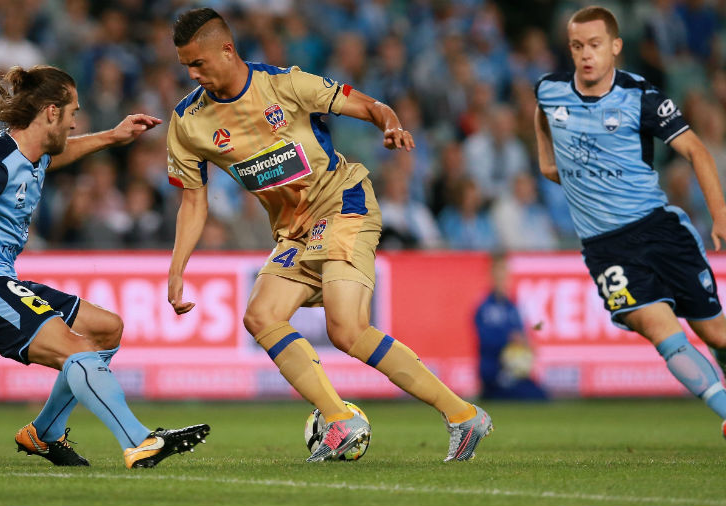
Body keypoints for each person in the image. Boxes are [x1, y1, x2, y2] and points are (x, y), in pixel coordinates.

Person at [165, 8, 492, 463]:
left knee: (346, 327)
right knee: (261, 316)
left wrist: (390, 124)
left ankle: (463, 416)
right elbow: (193, 201)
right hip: (294, 232)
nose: (193, 74)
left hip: (342, 203)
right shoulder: (188, 122)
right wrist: (177, 268)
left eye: (198, 63)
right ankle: (339, 418)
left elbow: (370, 105)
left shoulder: (286, 84)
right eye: (186, 67)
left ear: (227, 49)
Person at [0, 65, 210, 468]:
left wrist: (112, 136)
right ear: (51, 112)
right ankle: (139, 441)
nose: (75, 122)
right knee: (76, 349)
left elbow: (58, 155)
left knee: (106, 329)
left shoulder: (31, 153)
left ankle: (44, 432)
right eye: (73, 113)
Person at [534, 6, 726, 445]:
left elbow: (697, 150)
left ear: (616, 47)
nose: (586, 55)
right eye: (577, 46)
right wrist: (548, 162)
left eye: (595, 45)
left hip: (659, 231)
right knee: (664, 334)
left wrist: (719, 213)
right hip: (606, 249)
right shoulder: (549, 91)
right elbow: (543, 120)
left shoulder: (642, 97)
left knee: (714, 330)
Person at [474, 254, 547, 400]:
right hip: (494, 374)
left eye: (505, 272)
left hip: (514, 373)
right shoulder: (484, 308)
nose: (503, 278)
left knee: (541, 395)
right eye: (499, 272)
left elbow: (522, 335)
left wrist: (526, 344)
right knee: (532, 397)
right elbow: (485, 341)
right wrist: (509, 340)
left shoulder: (512, 307)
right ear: (492, 275)